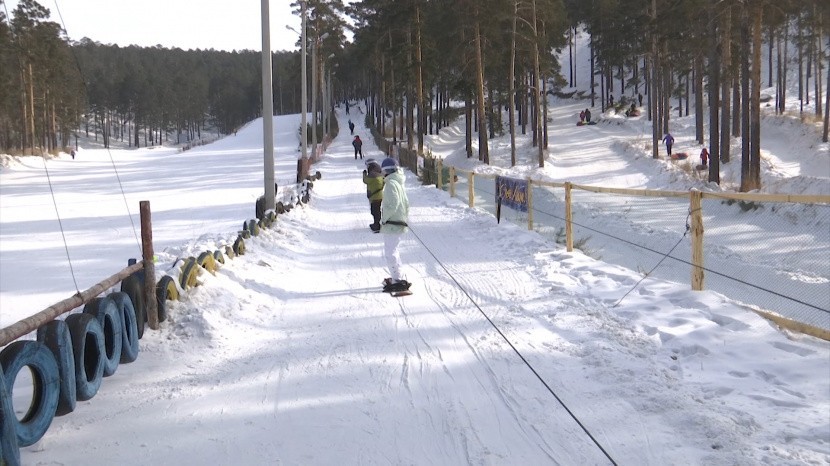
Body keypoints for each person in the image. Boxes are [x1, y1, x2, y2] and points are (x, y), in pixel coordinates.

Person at [380, 157, 410, 292]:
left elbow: (392, 204)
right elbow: (406, 203)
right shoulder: (398, 182)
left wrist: (384, 219)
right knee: (393, 251)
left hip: (392, 222)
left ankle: (397, 279)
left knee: (390, 252)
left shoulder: (391, 184)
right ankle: (397, 276)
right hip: (397, 221)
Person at [363, 159, 384, 233]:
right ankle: (377, 223)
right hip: (380, 195)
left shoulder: (372, 175)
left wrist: (364, 174)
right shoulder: (380, 173)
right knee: (377, 210)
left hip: (374, 196)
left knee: (374, 211)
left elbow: (365, 180)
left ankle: (377, 225)